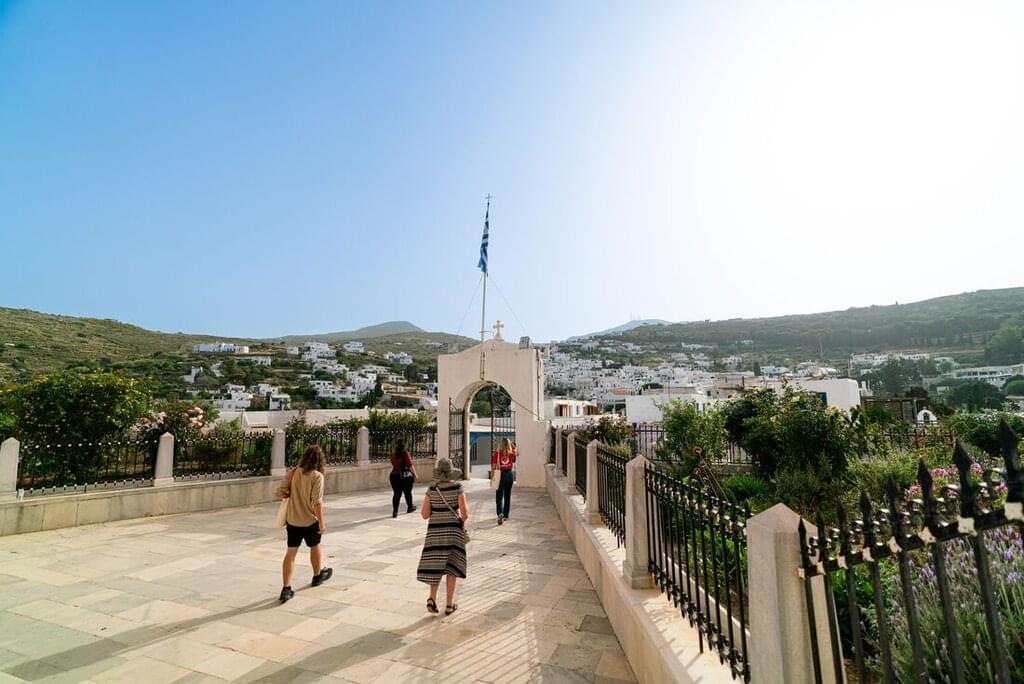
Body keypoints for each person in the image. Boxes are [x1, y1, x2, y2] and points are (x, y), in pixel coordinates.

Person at [275, 445, 332, 602]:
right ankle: (317, 576)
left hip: (293, 520)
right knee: (315, 547)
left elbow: (280, 492)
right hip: (310, 520)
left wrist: (292, 492)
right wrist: (321, 523)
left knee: (291, 552)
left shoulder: (293, 472)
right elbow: (317, 502)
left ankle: (286, 588)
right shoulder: (317, 476)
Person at [416, 457, 467, 616]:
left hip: (435, 532)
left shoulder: (432, 489)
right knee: (452, 568)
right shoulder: (458, 487)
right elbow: (465, 514)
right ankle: (449, 605)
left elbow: (424, 514)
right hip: (453, 533)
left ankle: (432, 598)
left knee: (435, 566)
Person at [490, 437, 516, 525]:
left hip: (500, 475)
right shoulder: (511, 453)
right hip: (509, 475)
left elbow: (494, 466)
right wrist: (512, 446)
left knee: (499, 496)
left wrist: (492, 476)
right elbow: (516, 454)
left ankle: (500, 513)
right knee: (507, 496)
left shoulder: (497, 453)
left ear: (501, 444)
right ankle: (506, 515)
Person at [389, 439, 418, 518]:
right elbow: (410, 465)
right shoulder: (405, 453)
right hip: (405, 477)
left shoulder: (393, 454)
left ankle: (395, 511)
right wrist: (415, 475)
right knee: (407, 493)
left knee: (397, 494)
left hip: (394, 476)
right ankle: (410, 507)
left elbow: (393, 463)